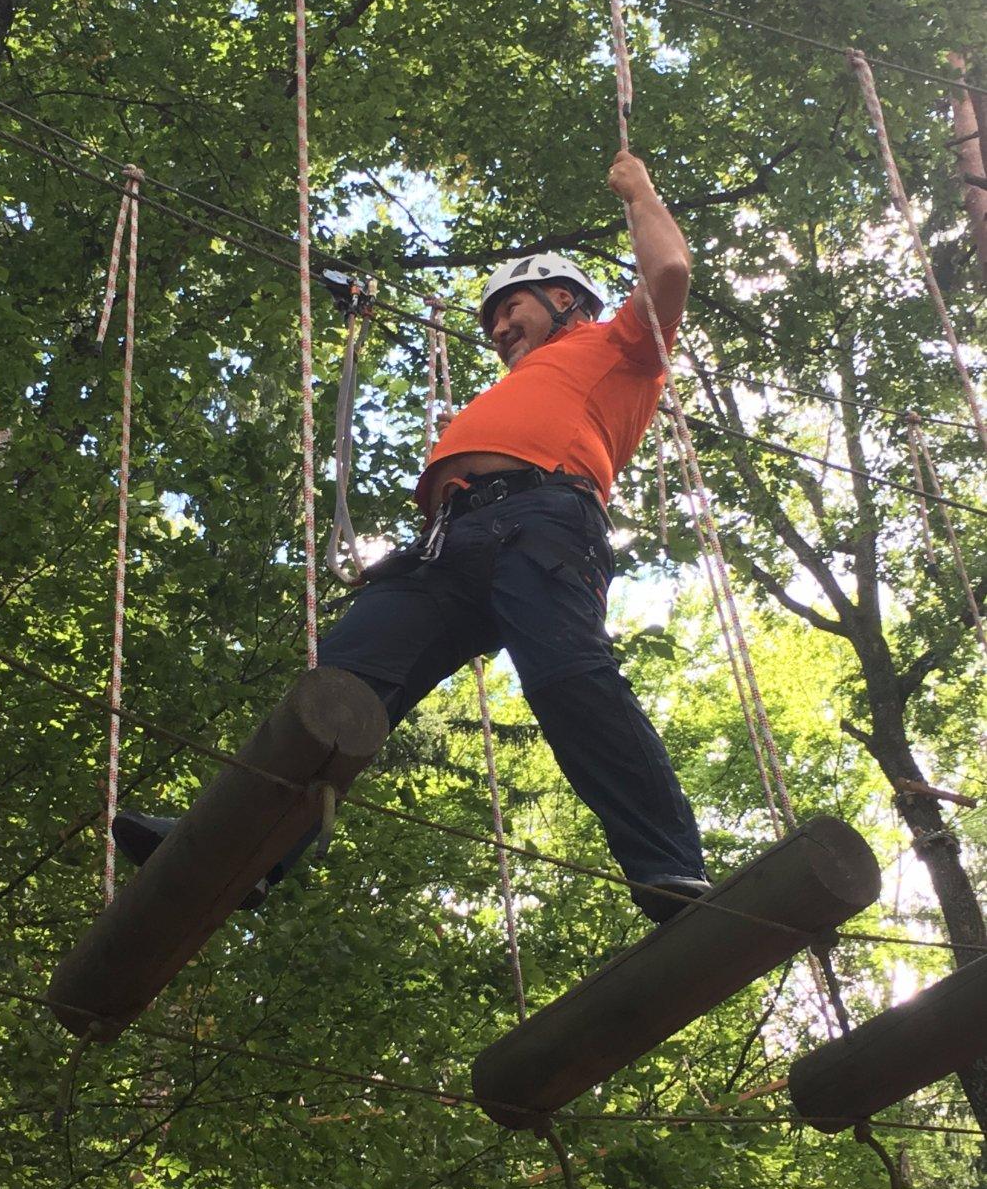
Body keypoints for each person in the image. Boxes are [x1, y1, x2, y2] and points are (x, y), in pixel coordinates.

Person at [115, 150, 709, 924]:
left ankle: (668, 867)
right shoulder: (524, 380)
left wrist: (637, 192)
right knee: (335, 692)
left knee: (568, 678)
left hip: (543, 521)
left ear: (565, 299)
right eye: (492, 320)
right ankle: (235, 853)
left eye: (510, 308)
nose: (497, 328)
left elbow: (668, 272)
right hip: (445, 544)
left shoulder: (618, 348)